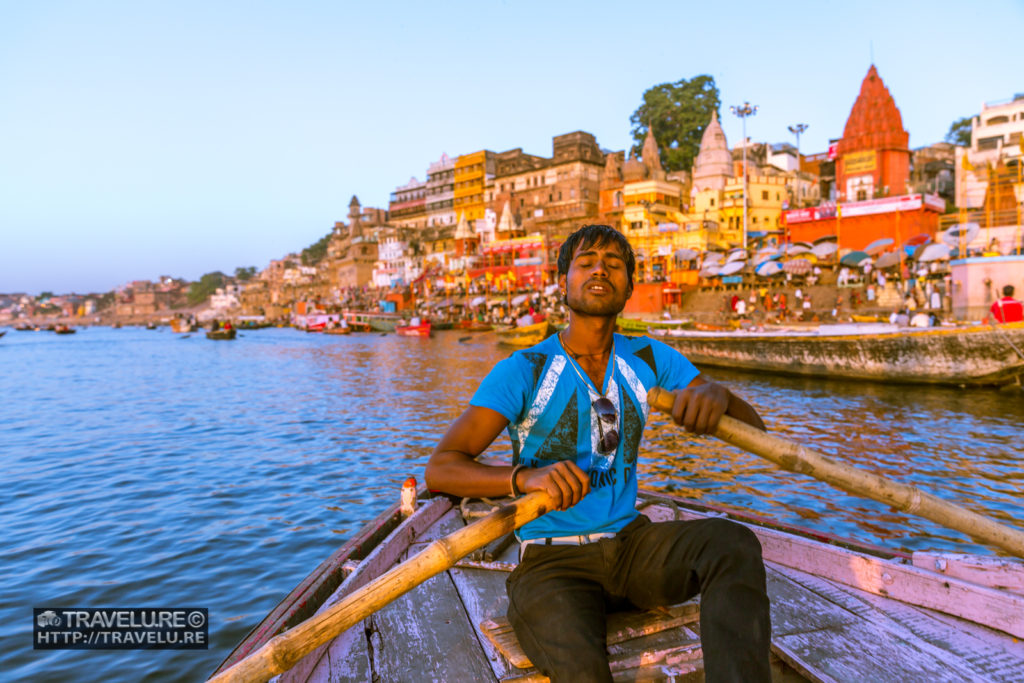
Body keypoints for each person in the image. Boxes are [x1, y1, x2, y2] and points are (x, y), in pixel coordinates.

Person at [425, 224, 770, 682]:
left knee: (734, 544)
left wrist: (716, 394)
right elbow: (441, 468)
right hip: (552, 561)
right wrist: (524, 479)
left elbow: (757, 433)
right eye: (586, 263)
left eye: (614, 264)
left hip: (630, 546)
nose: (600, 271)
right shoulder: (525, 368)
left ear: (629, 285)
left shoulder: (650, 358)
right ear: (563, 281)